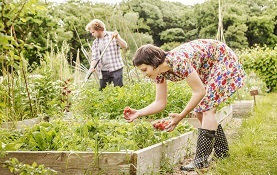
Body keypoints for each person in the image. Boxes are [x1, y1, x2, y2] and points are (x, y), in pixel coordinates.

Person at [123, 39, 245, 172]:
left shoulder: (178, 61)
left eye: (145, 69)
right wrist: (139, 113)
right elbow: (160, 103)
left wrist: (181, 116)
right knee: (200, 111)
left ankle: (200, 162)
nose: (144, 74)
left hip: (223, 60)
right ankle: (222, 154)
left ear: (154, 62)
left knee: (207, 109)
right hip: (209, 66)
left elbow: (199, 91)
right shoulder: (159, 73)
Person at [85, 19, 128, 90]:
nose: (92, 34)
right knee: (102, 91)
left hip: (116, 68)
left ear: (99, 29)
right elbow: (94, 58)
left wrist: (117, 37)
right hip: (103, 71)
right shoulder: (95, 42)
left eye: (93, 32)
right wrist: (92, 66)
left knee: (119, 90)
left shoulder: (113, 36)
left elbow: (124, 46)